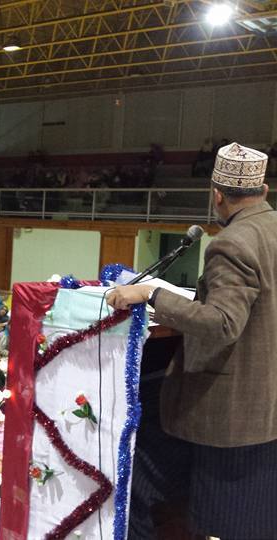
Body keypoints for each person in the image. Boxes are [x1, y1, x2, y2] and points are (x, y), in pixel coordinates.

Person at [108, 143, 277, 539]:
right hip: (267, 403)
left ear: (216, 195)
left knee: (141, 468)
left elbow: (222, 323)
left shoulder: (232, 243)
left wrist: (152, 294)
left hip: (229, 415)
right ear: (264, 190)